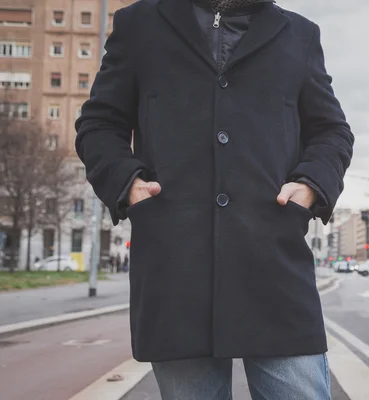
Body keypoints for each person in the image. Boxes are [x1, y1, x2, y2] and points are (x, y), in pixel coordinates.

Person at [74, 0, 353, 399]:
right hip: (175, 266)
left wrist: (309, 187)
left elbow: (332, 132)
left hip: (273, 263)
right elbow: (98, 124)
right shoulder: (139, 24)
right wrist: (130, 185)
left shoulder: (299, 34)